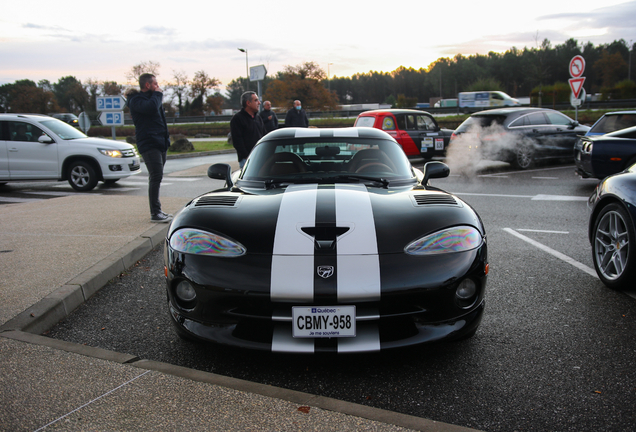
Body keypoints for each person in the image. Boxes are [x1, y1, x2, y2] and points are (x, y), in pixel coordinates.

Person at [126, 73, 172, 223]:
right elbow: (151, 108)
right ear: (148, 85)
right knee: (156, 176)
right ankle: (155, 212)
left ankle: (157, 210)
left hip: (160, 143)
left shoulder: (153, 99)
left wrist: (166, 140)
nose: (158, 87)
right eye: (155, 84)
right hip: (149, 143)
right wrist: (158, 94)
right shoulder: (136, 100)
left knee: (157, 176)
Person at [230, 91, 265, 168]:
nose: (259, 103)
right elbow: (237, 140)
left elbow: (263, 135)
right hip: (247, 160)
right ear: (248, 103)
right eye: (256, 100)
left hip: (261, 157)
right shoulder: (237, 119)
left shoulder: (258, 118)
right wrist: (246, 155)